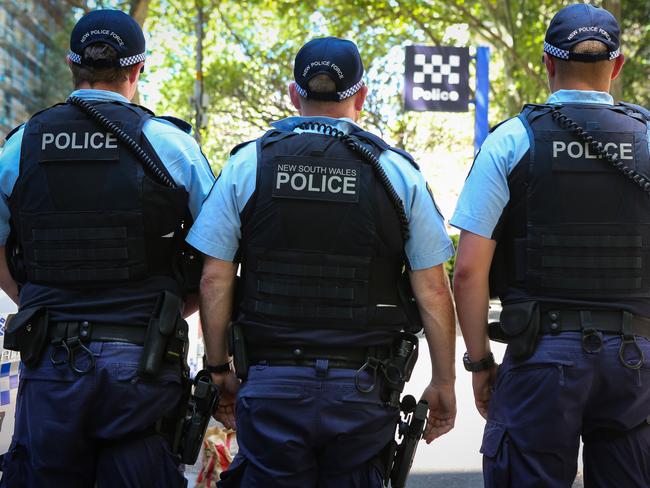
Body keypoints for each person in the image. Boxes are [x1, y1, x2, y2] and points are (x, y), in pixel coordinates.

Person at [188, 36, 457, 487]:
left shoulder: (249, 164)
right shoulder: (397, 173)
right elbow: (432, 288)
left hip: (272, 384)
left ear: (294, 95)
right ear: (363, 97)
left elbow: (215, 279)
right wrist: (444, 382)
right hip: (363, 389)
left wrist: (218, 372)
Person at [0, 9, 215, 487]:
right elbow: (219, 256)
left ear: (71, 65)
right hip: (143, 361)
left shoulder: (21, 145)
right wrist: (177, 308)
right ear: (138, 69)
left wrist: (34, 303)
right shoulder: (173, 146)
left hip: (51, 361)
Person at [452, 4, 650, 487]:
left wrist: (479, 364)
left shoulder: (511, 140)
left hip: (540, 357)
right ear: (618, 65)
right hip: (636, 362)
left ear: (546, 62)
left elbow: (468, 271)